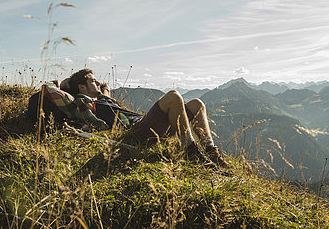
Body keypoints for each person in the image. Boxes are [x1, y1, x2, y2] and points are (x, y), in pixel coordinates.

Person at [62, 68, 228, 168]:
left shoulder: (103, 98)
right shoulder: (83, 102)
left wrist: (96, 85)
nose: (98, 82)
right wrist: (69, 85)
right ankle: (190, 151)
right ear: (81, 87)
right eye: (92, 80)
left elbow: (105, 87)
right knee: (173, 96)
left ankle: (210, 151)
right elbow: (60, 89)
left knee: (196, 104)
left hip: (149, 124)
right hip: (138, 131)